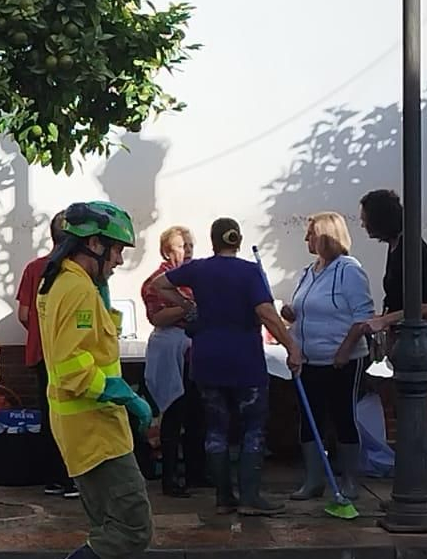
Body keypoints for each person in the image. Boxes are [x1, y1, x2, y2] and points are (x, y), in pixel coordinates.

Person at [15, 201, 163, 559]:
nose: (119, 260)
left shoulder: (67, 282)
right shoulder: (75, 289)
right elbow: (76, 370)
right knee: (133, 528)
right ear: (93, 244)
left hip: (86, 426)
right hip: (94, 428)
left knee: (108, 530)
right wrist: (125, 394)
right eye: (116, 250)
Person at [154, 218, 302, 517]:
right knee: (253, 428)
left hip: (207, 360)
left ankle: (223, 498)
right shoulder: (249, 272)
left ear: (213, 241)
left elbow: (159, 284)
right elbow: (265, 312)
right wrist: (291, 346)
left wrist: (186, 305)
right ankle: (250, 497)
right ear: (238, 240)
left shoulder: (199, 269)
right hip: (244, 360)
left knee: (215, 428)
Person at [341, 187, 427, 504]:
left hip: (423, 334)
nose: (362, 224)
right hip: (407, 333)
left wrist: (383, 322)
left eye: (365, 219)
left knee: (414, 411)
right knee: (408, 411)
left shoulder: (411, 248)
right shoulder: (396, 246)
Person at [282, 212, 375, 509]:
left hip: (341, 359)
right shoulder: (309, 271)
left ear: (324, 236)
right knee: (310, 419)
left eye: (310, 233)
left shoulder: (349, 270)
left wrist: (344, 350)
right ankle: (313, 479)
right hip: (310, 359)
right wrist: (291, 315)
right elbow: (306, 310)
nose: (305, 238)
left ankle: (349, 479)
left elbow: (363, 315)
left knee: (343, 416)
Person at [17, 215, 80, 499]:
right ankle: (72, 478)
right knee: (74, 416)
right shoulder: (77, 272)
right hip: (72, 355)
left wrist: (42, 331)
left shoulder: (33, 268)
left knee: (48, 414)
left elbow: (23, 314)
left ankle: (53, 478)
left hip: (41, 353)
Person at [141, 224, 205, 498]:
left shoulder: (196, 278)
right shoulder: (157, 280)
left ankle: (196, 472)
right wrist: (189, 309)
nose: (188, 250)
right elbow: (157, 317)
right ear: (168, 251)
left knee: (197, 412)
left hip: (194, 349)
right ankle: (170, 476)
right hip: (170, 348)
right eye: (182, 246)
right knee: (173, 412)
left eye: (190, 245)